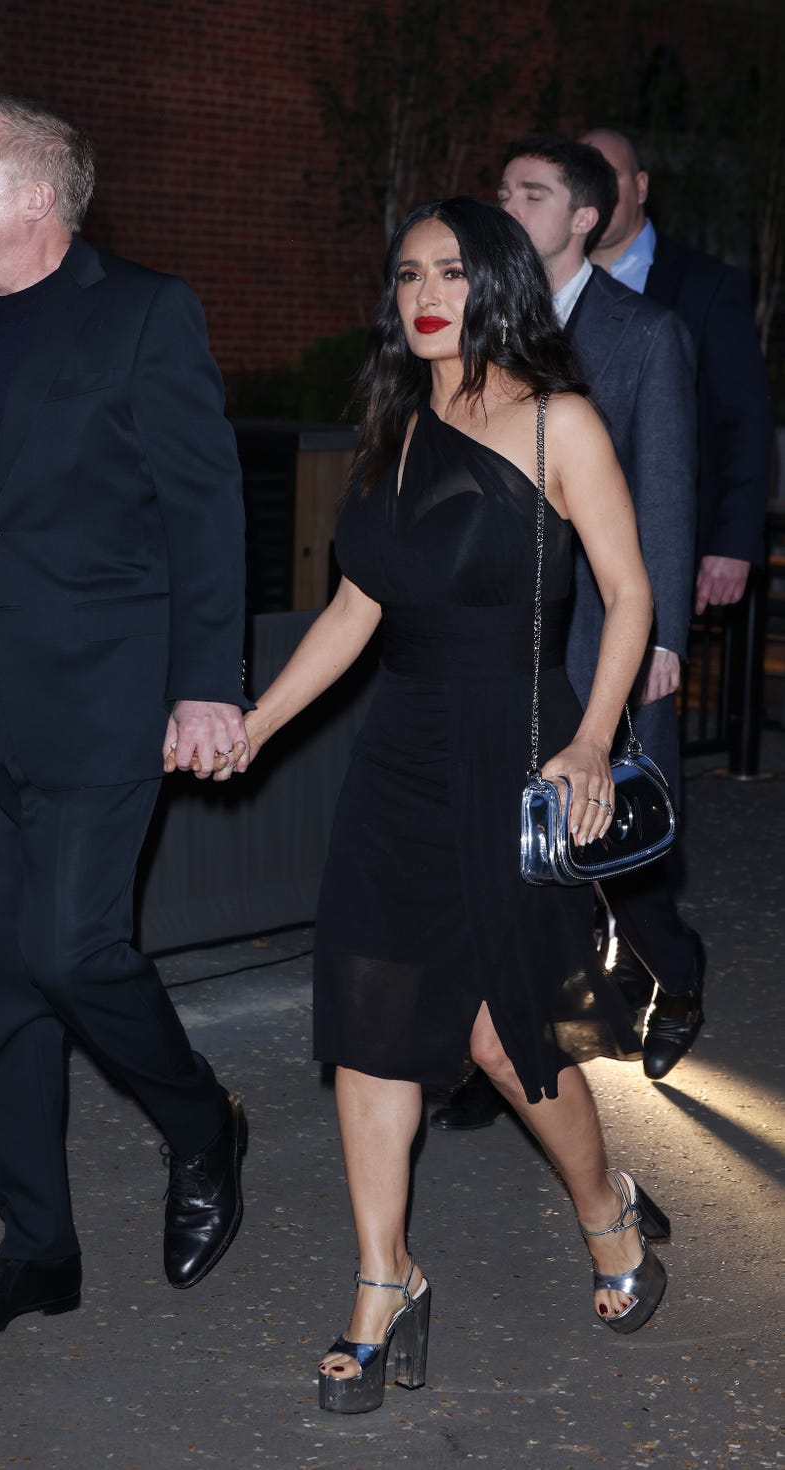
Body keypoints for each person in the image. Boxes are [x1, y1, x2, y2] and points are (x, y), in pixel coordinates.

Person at [244, 196, 669, 1414]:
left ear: (496, 287)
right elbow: (353, 611)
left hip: (518, 750)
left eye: (449, 274)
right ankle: (383, 1280)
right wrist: (260, 725)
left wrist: (592, 742)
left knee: (501, 1033)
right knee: (370, 1014)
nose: (423, 296)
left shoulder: (558, 423)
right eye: (406, 277)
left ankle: (606, 1212)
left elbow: (628, 594)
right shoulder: (388, 429)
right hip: (398, 757)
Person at [0, 95, 250, 1341]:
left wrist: (207, 683)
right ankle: (37, 1248)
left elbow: (204, 509)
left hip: (103, 700)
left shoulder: (143, 311)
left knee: (70, 949)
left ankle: (202, 1124)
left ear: (32, 195)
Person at [431, 139, 699, 1134]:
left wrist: (658, 634)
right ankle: (495, 1044)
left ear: (581, 217)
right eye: (500, 188)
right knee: (499, 846)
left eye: (529, 192)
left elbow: (663, 491)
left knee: (608, 851)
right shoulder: (481, 321)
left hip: (602, 624)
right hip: (499, 634)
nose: (508, 202)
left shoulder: (643, 334)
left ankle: (672, 973)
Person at [581, 126, 773, 617]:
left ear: (641, 186)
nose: (599, 193)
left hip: (665, 539)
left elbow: (744, 420)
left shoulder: (707, 286)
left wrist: (733, 542)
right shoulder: (542, 286)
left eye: (611, 177)